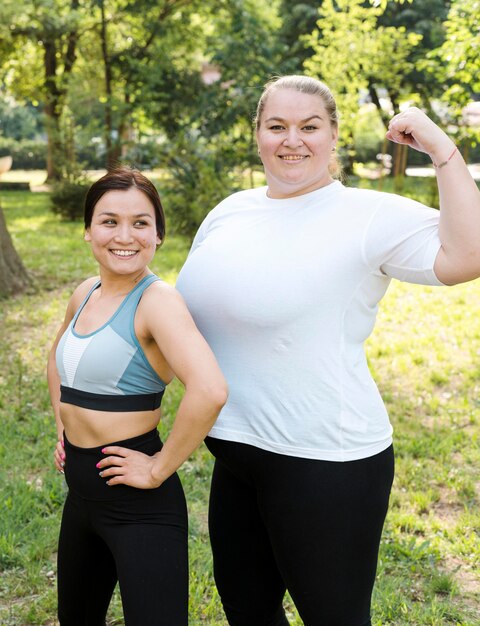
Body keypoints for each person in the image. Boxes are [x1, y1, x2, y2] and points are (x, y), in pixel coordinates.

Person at [175, 75, 480, 626]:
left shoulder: (366, 216)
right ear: (259, 135)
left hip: (326, 463)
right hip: (235, 454)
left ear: (334, 135)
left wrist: (443, 151)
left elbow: (467, 256)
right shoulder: (231, 210)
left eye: (309, 127)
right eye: (277, 127)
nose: (293, 140)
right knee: (247, 613)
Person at [47, 167, 228, 626]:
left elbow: (209, 390)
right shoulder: (85, 293)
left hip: (138, 504)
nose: (124, 235)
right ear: (88, 232)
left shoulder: (157, 302)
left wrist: (158, 468)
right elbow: (57, 359)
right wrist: (62, 429)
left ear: (158, 235)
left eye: (140, 223)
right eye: (109, 221)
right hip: (82, 495)